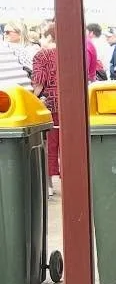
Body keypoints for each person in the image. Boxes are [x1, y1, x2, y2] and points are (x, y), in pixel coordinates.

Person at [29, 25, 60, 189]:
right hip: (70, 104)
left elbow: (39, 82)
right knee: (68, 142)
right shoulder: (71, 52)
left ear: (48, 37)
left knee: (50, 144)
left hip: (51, 104)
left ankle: (49, 185)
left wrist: (33, 99)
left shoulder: (42, 55)